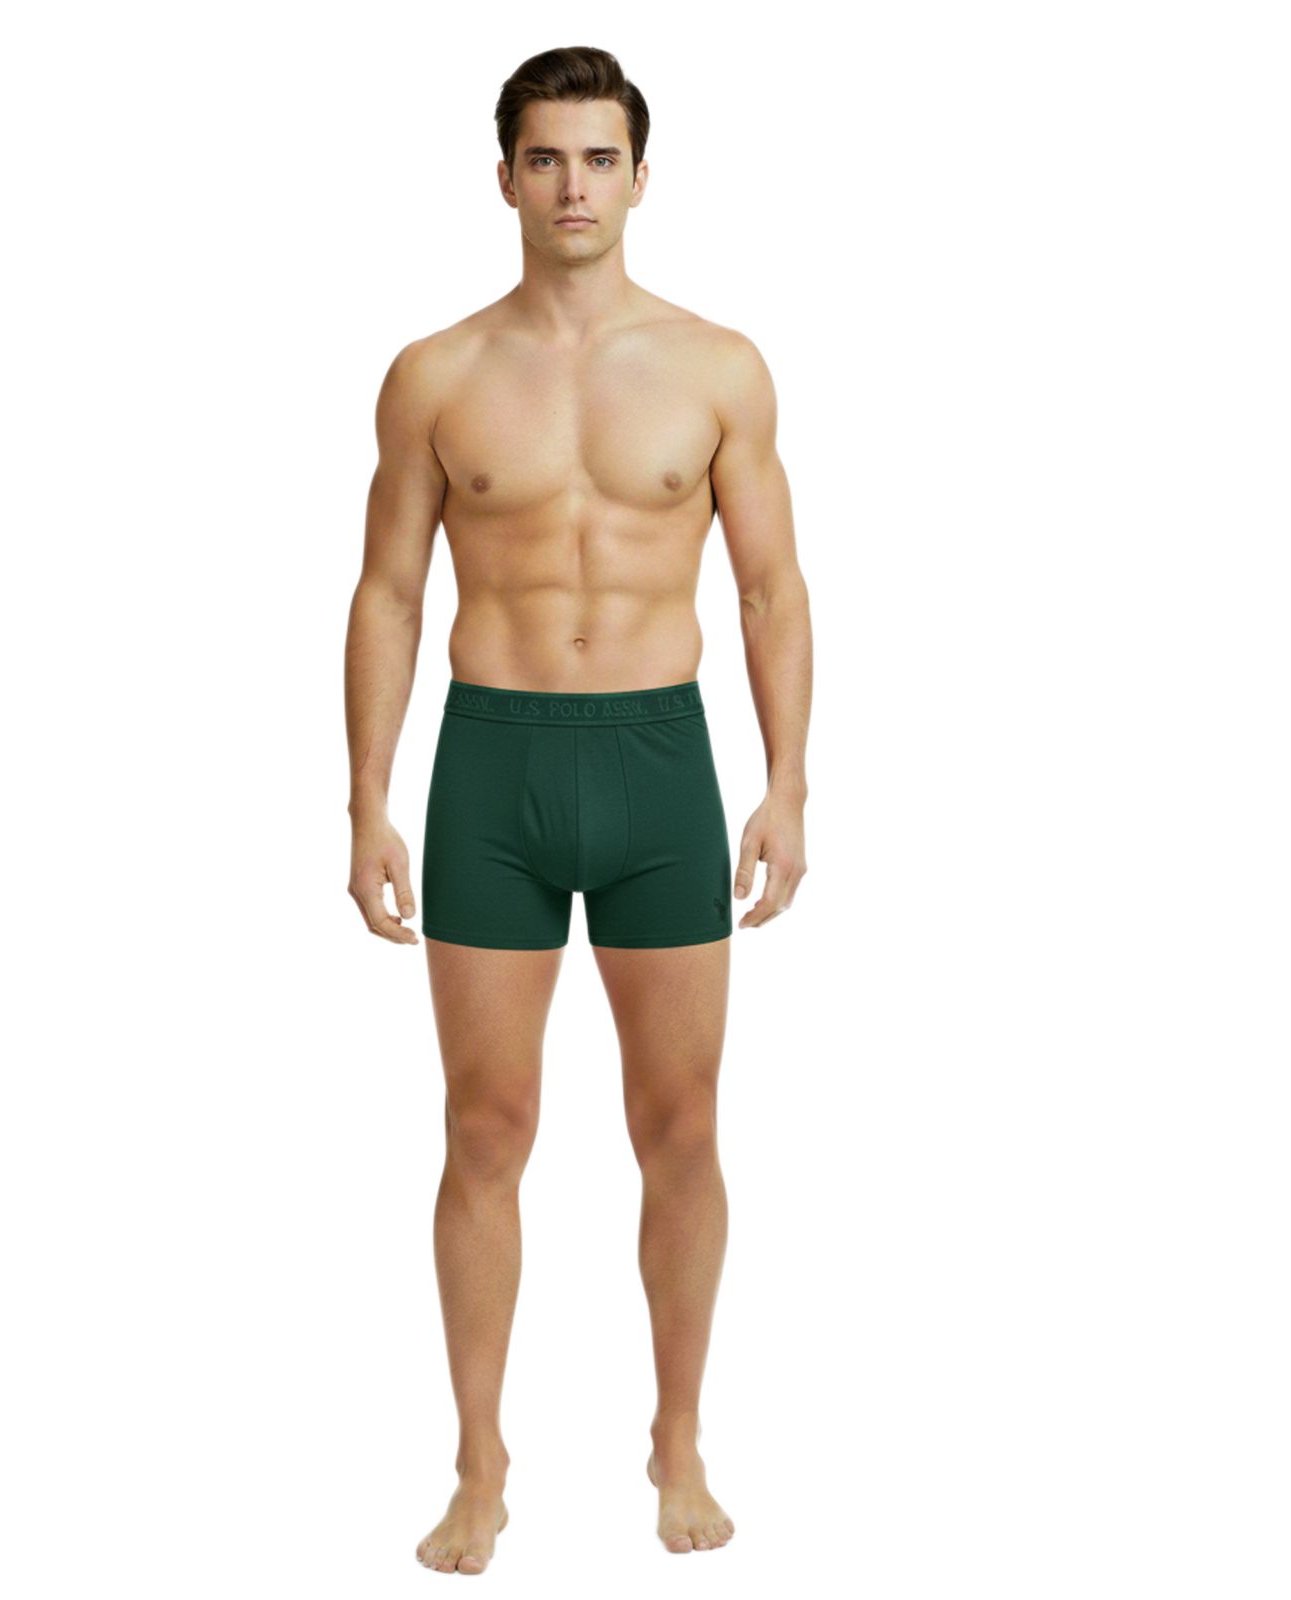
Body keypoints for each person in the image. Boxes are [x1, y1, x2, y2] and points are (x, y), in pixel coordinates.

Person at [344, 46, 812, 1574]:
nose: (571, 187)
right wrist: (366, 800)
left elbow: (768, 588)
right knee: (484, 1126)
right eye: (543, 158)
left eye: (597, 158)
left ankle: (677, 1438)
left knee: (680, 1124)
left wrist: (785, 783)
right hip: (491, 768)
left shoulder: (717, 366)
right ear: (504, 177)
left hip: (661, 767)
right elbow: (389, 593)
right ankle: (479, 1463)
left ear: (639, 177)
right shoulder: (434, 374)